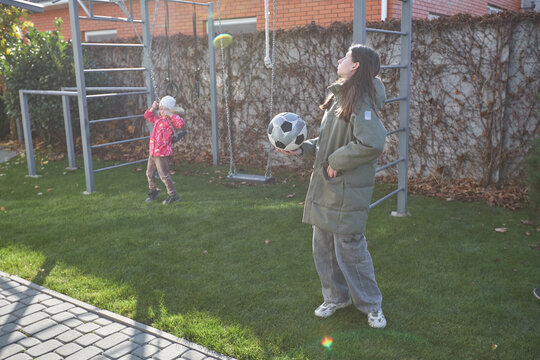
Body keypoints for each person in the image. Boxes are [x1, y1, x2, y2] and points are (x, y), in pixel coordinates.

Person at [277, 44, 388, 329]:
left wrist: (337, 161)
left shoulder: (362, 101)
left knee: (350, 250)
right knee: (323, 248)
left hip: (347, 190)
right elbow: (328, 142)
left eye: (346, 57)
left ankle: (372, 305)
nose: (339, 59)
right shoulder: (341, 96)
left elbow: (372, 143)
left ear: (356, 66)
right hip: (327, 187)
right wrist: (301, 149)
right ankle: (336, 298)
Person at [144, 96, 185, 204]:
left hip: (162, 153)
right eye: (160, 108)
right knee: (149, 173)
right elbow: (147, 115)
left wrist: (170, 114)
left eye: (164, 108)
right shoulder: (158, 120)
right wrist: (153, 108)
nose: (161, 111)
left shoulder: (170, 122)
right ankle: (153, 191)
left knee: (164, 175)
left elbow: (181, 123)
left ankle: (173, 195)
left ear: (169, 110)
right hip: (152, 152)